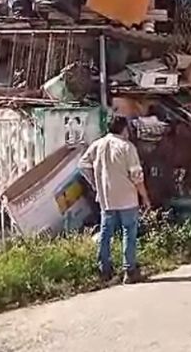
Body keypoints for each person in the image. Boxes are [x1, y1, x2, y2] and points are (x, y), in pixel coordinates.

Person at [79, 115, 151, 284]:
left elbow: (82, 165)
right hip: (127, 197)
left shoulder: (97, 145)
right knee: (129, 232)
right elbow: (137, 176)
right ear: (124, 129)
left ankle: (104, 270)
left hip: (106, 197)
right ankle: (129, 271)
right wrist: (145, 197)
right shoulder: (127, 147)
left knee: (105, 233)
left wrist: (95, 184)